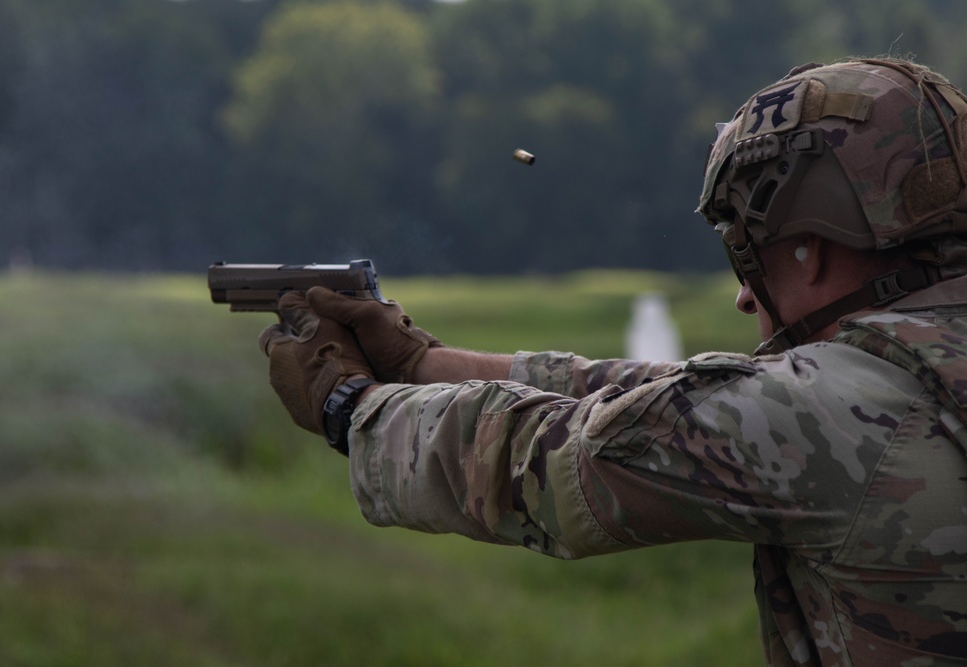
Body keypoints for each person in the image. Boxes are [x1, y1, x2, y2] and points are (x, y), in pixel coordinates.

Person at [259, 57, 967, 666]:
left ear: (816, 246)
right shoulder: (914, 366)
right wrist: (420, 361)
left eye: (752, 248)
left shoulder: (841, 415)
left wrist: (347, 407)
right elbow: (668, 397)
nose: (746, 297)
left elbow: (557, 464)